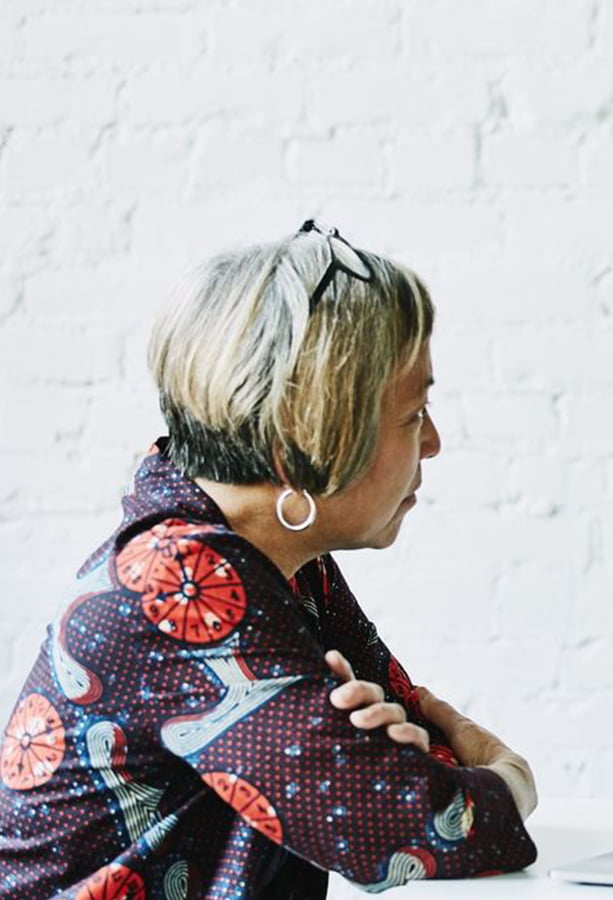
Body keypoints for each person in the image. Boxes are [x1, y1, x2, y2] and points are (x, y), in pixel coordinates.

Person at [0, 222, 538, 897]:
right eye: (412, 413)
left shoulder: (279, 564)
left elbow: (414, 755)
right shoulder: (179, 583)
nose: (432, 443)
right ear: (305, 440)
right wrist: (508, 772)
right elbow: (415, 828)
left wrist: (419, 771)